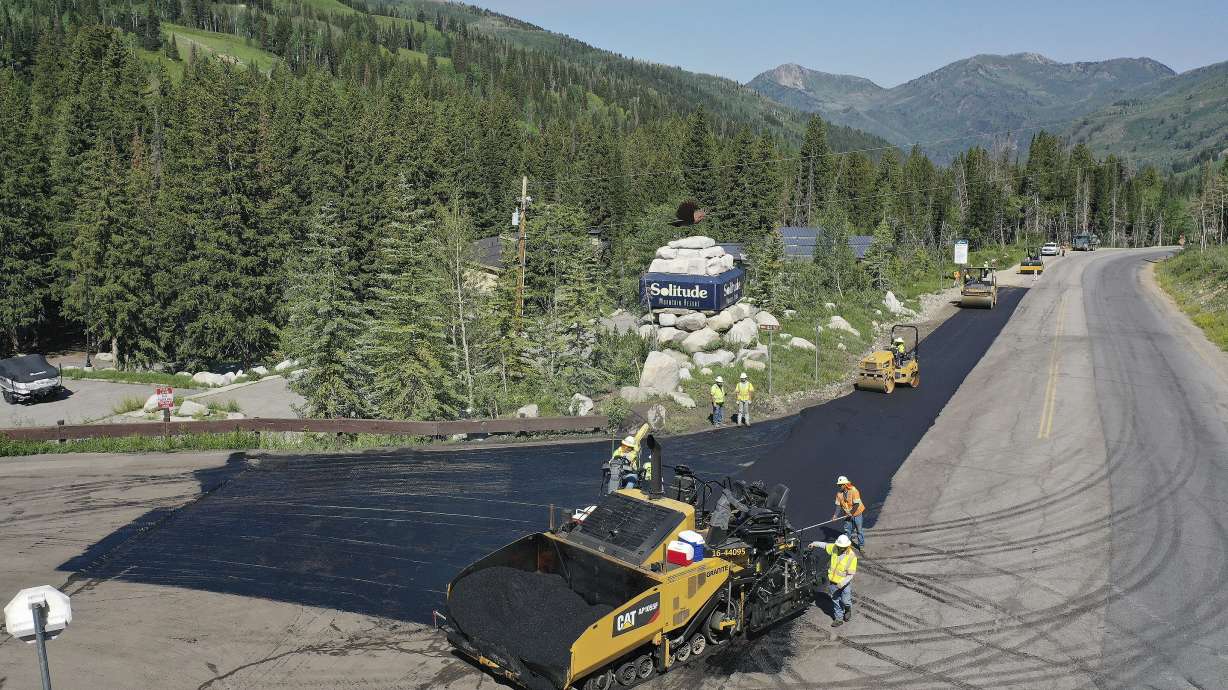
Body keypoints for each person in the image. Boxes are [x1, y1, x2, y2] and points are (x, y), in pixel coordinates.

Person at [810, 534, 858, 626]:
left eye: (842, 547)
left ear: (847, 546)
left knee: (845, 601)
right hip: (833, 582)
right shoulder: (835, 548)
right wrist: (814, 543)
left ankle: (848, 609)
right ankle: (838, 619)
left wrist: (842, 583)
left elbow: (850, 575)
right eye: (839, 546)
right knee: (835, 601)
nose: (840, 548)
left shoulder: (852, 557)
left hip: (844, 583)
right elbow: (825, 545)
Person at [832, 475, 865, 551]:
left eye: (840, 485)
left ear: (845, 484)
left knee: (859, 530)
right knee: (847, 530)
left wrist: (851, 513)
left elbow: (856, 504)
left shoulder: (854, 490)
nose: (839, 486)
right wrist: (835, 515)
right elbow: (838, 506)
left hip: (857, 513)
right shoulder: (839, 494)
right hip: (847, 515)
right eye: (839, 485)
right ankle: (847, 545)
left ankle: (861, 545)